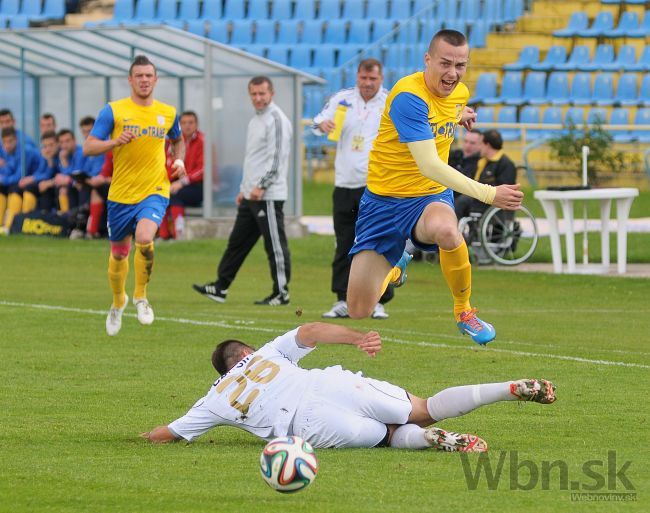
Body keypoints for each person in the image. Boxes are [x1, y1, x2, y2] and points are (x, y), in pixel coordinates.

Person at [346, 30, 523, 345]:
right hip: (383, 203)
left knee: (447, 231)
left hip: (428, 196)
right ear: (427, 60)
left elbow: (441, 116)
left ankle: (464, 311)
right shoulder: (407, 97)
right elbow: (429, 163)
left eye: (460, 65)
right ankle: (397, 262)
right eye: (445, 64)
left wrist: (458, 116)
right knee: (359, 309)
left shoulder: (459, 93)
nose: (452, 73)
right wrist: (490, 193)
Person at [141, 323, 556, 450]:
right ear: (245, 351)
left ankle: (432, 440)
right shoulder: (267, 353)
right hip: (331, 384)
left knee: (387, 439)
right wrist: (357, 337)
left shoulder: (214, 398)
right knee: (422, 405)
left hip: (306, 426)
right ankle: (508, 387)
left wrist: (135, 438)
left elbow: (169, 433)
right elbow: (310, 330)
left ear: (222, 370)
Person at [83, 55, 185, 336]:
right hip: (121, 195)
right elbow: (89, 147)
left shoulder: (168, 112)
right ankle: (119, 302)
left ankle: (141, 296)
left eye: (148, 76)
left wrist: (179, 161)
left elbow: (178, 140)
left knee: (144, 237)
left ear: (155, 79)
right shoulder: (114, 111)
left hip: (154, 190)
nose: (144, 80)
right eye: (138, 76)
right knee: (118, 255)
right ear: (130, 80)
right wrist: (115, 141)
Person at [193, 76, 292, 306]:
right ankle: (220, 287)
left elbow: (276, 160)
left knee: (274, 245)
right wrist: (243, 189)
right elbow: (253, 160)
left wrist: (261, 186)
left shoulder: (276, 119)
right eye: (254, 94)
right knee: (237, 243)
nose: (258, 98)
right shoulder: (256, 120)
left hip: (268, 195)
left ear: (272, 93)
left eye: (262, 94)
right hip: (250, 195)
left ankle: (281, 292)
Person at [313, 58, 394, 320]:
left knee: (379, 245)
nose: (367, 83)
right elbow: (317, 121)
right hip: (345, 182)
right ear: (357, 76)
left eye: (373, 79)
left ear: (381, 79)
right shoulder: (342, 99)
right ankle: (342, 299)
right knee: (344, 243)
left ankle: (379, 300)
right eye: (363, 78)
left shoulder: (391, 101)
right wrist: (321, 125)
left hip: (377, 185)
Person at [159, 110, 204, 240]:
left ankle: (177, 234)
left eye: (191, 122)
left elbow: (203, 169)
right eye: (183, 123)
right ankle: (163, 235)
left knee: (176, 195)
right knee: (162, 193)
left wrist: (182, 182)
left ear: (196, 124)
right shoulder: (173, 142)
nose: (187, 126)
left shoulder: (202, 141)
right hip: (177, 184)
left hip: (199, 186)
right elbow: (168, 166)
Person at [455, 129, 517, 220]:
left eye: (480, 144)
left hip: (490, 202)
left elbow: (506, 189)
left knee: (462, 201)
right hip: (479, 197)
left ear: (487, 145)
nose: (479, 147)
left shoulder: (506, 164)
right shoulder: (482, 161)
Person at [0, 127, 44, 233]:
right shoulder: (7, 152)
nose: (7, 145)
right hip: (23, 182)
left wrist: (2, 177)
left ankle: (11, 226)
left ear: (16, 140)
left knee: (14, 189)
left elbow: (18, 176)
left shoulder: (26, 151)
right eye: (4, 142)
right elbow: (9, 170)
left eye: (10, 141)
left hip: (37, 181)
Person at [54, 128, 86, 214]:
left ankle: (70, 218)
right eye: (61, 142)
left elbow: (75, 175)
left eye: (67, 141)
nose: (64, 145)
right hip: (73, 184)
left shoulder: (80, 153)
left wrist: (64, 162)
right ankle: (64, 217)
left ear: (74, 141)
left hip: (83, 184)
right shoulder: (62, 154)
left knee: (65, 189)